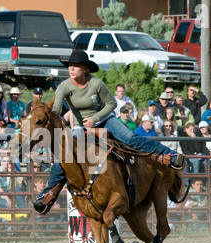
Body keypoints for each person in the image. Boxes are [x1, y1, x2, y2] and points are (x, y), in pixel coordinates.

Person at [32, 50, 184, 213]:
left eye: (75, 66)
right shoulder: (64, 86)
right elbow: (54, 110)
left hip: (105, 119)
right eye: (70, 66)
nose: (71, 69)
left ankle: (170, 155)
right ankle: (47, 195)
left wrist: (94, 118)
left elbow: (111, 104)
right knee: (66, 158)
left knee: (131, 138)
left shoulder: (95, 83)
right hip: (79, 127)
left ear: (84, 69)